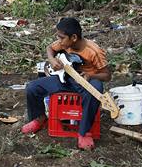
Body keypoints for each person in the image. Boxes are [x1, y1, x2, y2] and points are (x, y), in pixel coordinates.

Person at [21, 17, 111, 150]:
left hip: (87, 82)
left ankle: (84, 132)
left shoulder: (94, 51)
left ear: (74, 37)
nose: (59, 41)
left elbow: (107, 75)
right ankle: (40, 119)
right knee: (33, 88)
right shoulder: (64, 44)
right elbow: (50, 48)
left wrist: (90, 75)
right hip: (65, 79)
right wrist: (52, 60)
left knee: (96, 90)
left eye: (62, 37)